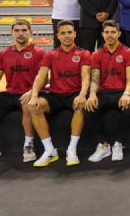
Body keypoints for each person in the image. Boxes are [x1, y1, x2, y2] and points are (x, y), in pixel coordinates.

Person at [0, 20, 46, 165]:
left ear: (30, 32)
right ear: (12, 33)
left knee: (27, 104)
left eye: (24, 30)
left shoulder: (39, 52)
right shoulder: (4, 53)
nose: (20, 33)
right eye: (17, 30)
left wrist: (32, 92)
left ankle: (29, 146)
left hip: (30, 93)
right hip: (10, 94)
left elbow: (43, 79)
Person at [25, 20, 90, 167]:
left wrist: (82, 94)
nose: (66, 36)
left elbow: (86, 76)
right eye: (63, 33)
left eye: (69, 32)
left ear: (75, 34)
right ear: (58, 36)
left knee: (80, 106)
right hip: (55, 95)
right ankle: (49, 150)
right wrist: (34, 96)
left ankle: (72, 150)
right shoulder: (50, 54)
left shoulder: (84, 53)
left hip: (74, 93)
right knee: (35, 107)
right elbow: (41, 76)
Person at [84, 20, 130, 162]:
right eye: (107, 32)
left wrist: (126, 94)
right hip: (104, 93)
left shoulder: (128, 52)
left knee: (129, 108)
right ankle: (103, 145)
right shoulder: (96, 54)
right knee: (88, 108)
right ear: (102, 34)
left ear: (119, 33)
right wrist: (92, 94)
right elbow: (95, 79)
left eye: (113, 32)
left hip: (121, 92)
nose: (110, 35)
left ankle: (118, 143)